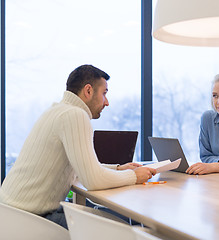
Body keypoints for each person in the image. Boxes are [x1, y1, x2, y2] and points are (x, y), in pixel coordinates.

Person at [0, 65, 156, 228]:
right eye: (104, 93)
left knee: (113, 224)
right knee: (122, 230)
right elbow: (93, 180)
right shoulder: (75, 115)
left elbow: (79, 169)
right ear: (88, 91)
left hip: (12, 213)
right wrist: (134, 176)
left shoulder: (57, 111)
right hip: (27, 219)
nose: (107, 102)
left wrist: (118, 169)